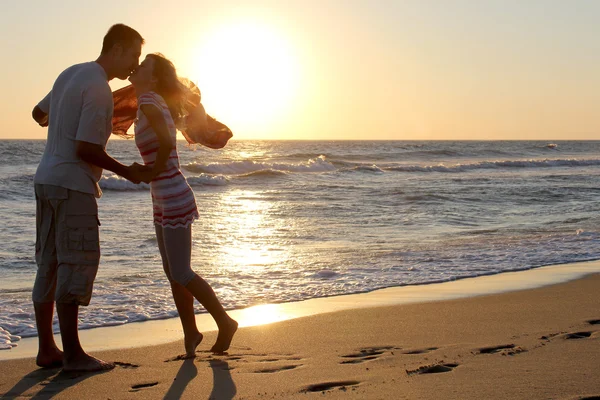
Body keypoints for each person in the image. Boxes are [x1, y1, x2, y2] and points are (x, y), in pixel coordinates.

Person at [31, 24, 150, 372]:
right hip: (73, 184)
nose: (134, 64)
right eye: (133, 55)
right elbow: (86, 149)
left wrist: (63, 118)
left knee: (49, 264)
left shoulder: (71, 72)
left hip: (45, 179)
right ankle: (73, 355)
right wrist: (128, 171)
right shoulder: (98, 88)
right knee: (76, 262)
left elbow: (39, 115)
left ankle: (47, 349)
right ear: (116, 49)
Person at [128, 53, 238, 356]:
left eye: (144, 67)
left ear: (153, 79)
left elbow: (165, 143)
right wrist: (148, 171)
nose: (135, 69)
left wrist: (148, 172)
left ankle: (225, 322)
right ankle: (191, 333)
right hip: (163, 195)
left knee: (181, 271)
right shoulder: (151, 102)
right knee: (172, 271)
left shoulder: (149, 102)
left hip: (172, 194)